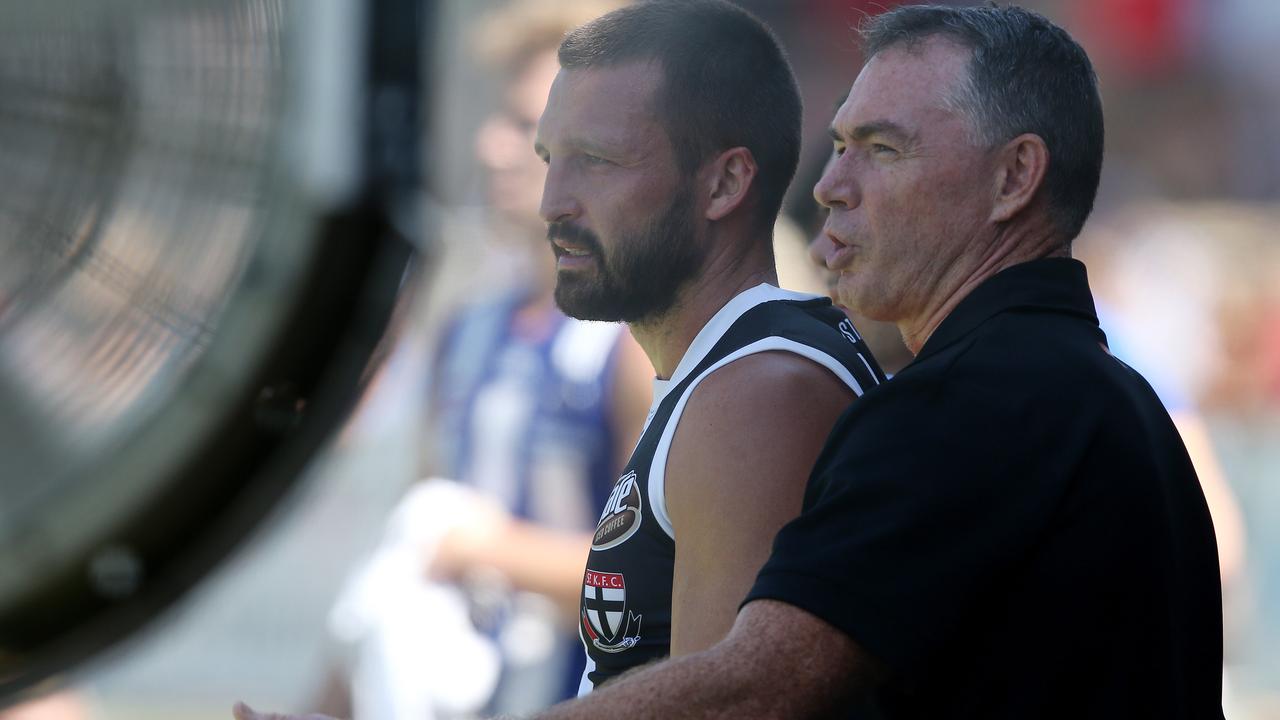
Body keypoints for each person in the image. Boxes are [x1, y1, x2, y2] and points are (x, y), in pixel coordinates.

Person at [523, 4, 1217, 717]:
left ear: (1014, 177)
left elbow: (757, 689)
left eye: (881, 148)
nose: (829, 186)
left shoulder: (972, 404)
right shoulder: (1102, 394)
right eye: (840, 144)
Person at [234, 1, 886, 717]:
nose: (551, 199)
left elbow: (722, 696)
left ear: (724, 183)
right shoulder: (483, 325)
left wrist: (493, 549)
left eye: (596, 160)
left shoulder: (758, 384)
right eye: (548, 154)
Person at [311, 2, 651, 717]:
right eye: (500, 119)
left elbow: (661, 581)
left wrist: (490, 551)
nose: (493, 148)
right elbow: (411, 565)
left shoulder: (631, 344)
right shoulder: (468, 330)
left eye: (526, 129)